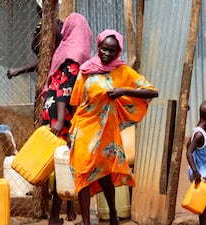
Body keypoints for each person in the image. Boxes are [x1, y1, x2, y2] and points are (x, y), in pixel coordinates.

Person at [68, 29, 158, 225]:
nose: (106, 54)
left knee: (104, 176)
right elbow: (76, 102)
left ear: (118, 51)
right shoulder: (86, 70)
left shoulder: (123, 71)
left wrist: (123, 91)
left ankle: (113, 216)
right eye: (103, 49)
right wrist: (71, 131)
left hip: (107, 133)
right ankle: (86, 222)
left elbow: (152, 91)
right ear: (98, 46)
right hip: (83, 130)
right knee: (82, 174)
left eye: (112, 50)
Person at [42, 12, 92, 225]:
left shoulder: (64, 50)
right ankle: (55, 216)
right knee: (64, 163)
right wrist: (62, 121)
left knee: (62, 162)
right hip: (62, 116)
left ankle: (69, 211)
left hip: (51, 112)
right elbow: (65, 90)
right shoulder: (76, 54)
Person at [6, 3, 63, 79]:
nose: (36, 7)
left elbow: (47, 61)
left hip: (53, 76)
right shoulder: (57, 25)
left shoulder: (49, 29)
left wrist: (19, 70)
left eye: (38, 5)